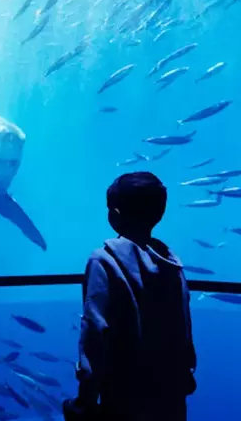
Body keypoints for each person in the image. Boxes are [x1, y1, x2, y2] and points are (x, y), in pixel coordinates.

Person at [63, 172, 197, 421]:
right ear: (160, 213)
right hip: (171, 398)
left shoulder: (103, 260)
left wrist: (86, 399)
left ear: (114, 213)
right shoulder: (173, 266)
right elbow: (184, 329)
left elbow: (96, 330)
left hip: (124, 398)